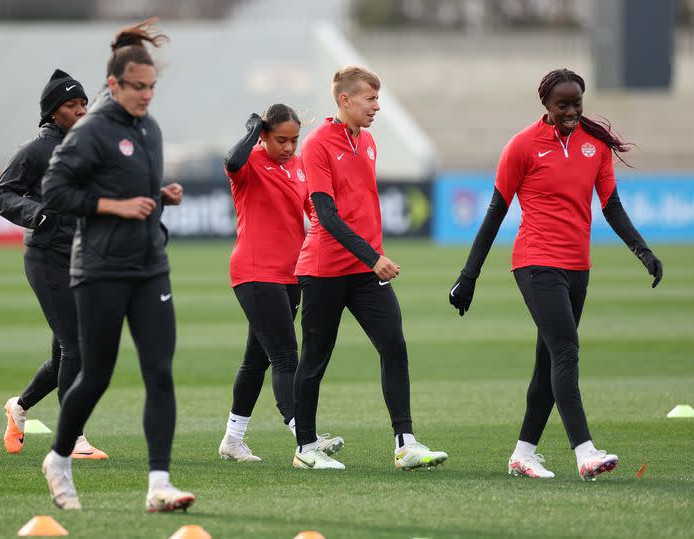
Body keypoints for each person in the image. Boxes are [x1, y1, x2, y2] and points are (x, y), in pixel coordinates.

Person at [448, 68, 663, 481]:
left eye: (577, 103)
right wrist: (468, 276)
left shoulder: (594, 145)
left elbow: (612, 206)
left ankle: (523, 454)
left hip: (578, 266)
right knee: (566, 351)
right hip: (535, 261)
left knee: (548, 360)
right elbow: (495, 213)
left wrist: (643, 251)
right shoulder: (522, 147)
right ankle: (585, 452)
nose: (571, 111)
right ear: (545, 105)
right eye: (562, 105)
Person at [40, 19, 193, 512]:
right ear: (114, 85)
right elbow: (55, 191)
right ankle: (59, 459)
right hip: (100, 270)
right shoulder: (91, 131)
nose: (147, 96)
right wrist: (114, 207)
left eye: (152, 87)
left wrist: (158, 197)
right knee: (97, 375)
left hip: (150, 266)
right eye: (138, 87)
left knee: (161, 374)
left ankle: (159, 485)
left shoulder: (149, 128)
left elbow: (135, 193)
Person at [292, 66, 448, 471]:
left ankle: (405, 443)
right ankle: (305, 447)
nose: (376, 107)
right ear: (344, 100)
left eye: (377, 99)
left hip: (365, 271)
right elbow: (325, 214)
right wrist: (373, 257)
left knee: (393, 346)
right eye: (369, 99)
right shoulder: (317, 144)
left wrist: (370, 259)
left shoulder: (369, 141)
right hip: (325, 269)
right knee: (315, 358)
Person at [0, 69, 107, 460]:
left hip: (81, 259)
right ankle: (72, 439)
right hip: (46, 257)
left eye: (83, 103)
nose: (81, 110)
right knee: (76, 345)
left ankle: (18, 408)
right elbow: (1, 194)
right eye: (72, 105)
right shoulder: (37, 149)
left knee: (64, 352)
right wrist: (38, 214)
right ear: (53, 112)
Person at [218, 105, 344, 462]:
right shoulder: (249, 165)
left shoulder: (301, 166)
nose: (289, 147)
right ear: (263, 136)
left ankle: (232, 439)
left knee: (255, 361)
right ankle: (305, 438)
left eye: (294, 140)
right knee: (286, 357)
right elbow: (231, 161)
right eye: (280, 140)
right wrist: (252, 130)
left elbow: (315, 213)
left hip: (292, 274)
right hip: (256, 273)